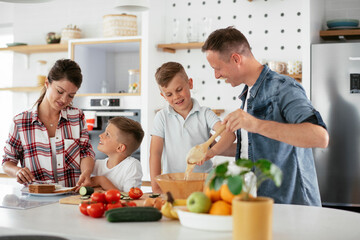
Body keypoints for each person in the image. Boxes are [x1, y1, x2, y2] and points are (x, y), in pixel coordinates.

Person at [202, 26, 329, 206]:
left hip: (293, 206)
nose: (216, 75)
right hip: (261, 203)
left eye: (218, 68)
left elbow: (319, 137)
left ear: (236, 59)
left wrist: (255, 124)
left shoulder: (283, 88)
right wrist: (214, 148)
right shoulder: (248, 93)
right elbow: (257, 146)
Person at [2, 59, 95, 188]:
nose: (64, 100)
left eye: (71, 95)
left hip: (71, 195)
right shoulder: (21, 122)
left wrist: (86, 172)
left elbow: (85, 152)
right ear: (47, 83)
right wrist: (17, 171)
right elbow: (7, 162)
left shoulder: (77, 117)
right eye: (60, 91)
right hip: (36, 199)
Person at [149, 61, 236, 193]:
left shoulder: (205, 113)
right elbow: (155, 154)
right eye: (169, 94)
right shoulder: (162, 117)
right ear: (163, 96)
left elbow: (229, 135)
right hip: (173, 185)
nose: (176, 97)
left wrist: (212, 152)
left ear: (190, 83)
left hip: (204, 185)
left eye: (179, 90)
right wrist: (156, 187)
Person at [90, 116, 144, 192]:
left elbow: (129, 198)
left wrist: (102, 181)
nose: (100, 135)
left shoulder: (132, 165)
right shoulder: (98, 165)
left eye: (107, 134)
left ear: (120, 148)